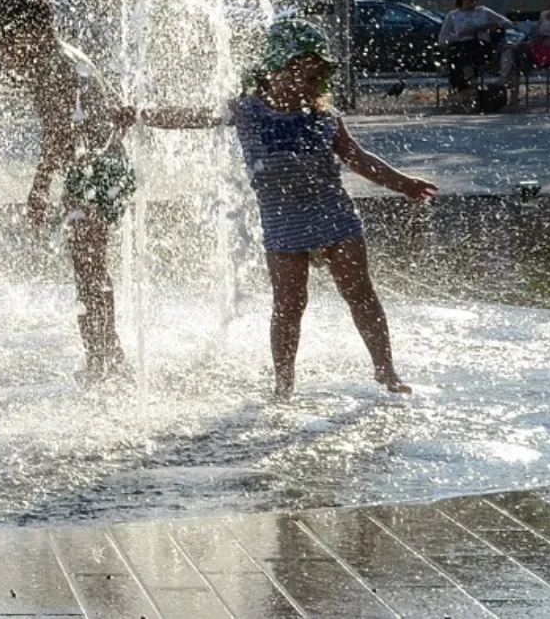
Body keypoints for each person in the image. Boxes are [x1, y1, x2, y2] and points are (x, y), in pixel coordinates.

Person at [133, 20, 436, 400]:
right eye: (300, 75)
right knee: (289, 305)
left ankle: (386, 370)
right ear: (273, 71)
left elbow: (358, 158)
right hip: (283, 225)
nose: (307, 86)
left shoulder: (324, 116)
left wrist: (404, 184)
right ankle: (284, 384)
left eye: (315, 78)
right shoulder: (247, 110)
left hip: (334, 216)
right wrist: (140, 115)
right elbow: (194, 117)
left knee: (360, 294)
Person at [0, 0, 134, 385]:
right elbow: (112, 108)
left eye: (4, 41)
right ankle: (109, 353)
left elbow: (59, 133)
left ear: (27, 32)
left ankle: (101, 360)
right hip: (106, 168)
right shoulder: (67, 55)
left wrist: (38, 190)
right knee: (92, 268)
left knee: (88, 271)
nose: (2, 54)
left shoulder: (50, 66)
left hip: (93, 174)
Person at [438, 0, 515, 108]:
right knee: (458, 51)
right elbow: (443, 39)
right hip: (461, 45)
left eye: (476, 1)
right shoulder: (453, 16)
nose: (474, 4)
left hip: (481, 46)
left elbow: (508, 23)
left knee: (462, 52)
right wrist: (461, 35)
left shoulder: (482, 11)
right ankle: (468, 83)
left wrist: (487, 26)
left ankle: (469, 82)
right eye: (471, 1)